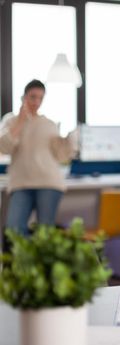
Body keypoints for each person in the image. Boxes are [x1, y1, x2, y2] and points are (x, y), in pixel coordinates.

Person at [0, 79, 77, 236]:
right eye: (33, 97)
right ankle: (25, 261)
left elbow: (61, 156)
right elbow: (4, 147)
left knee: (44, 232)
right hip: (21, 183)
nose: (36, 102)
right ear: (24, 97)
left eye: (40, 98)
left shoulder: (49, 124)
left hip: (48, 181)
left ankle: (38, 261)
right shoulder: (10, 120)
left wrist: (69, 141)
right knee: (14, 229)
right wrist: (21, 121)